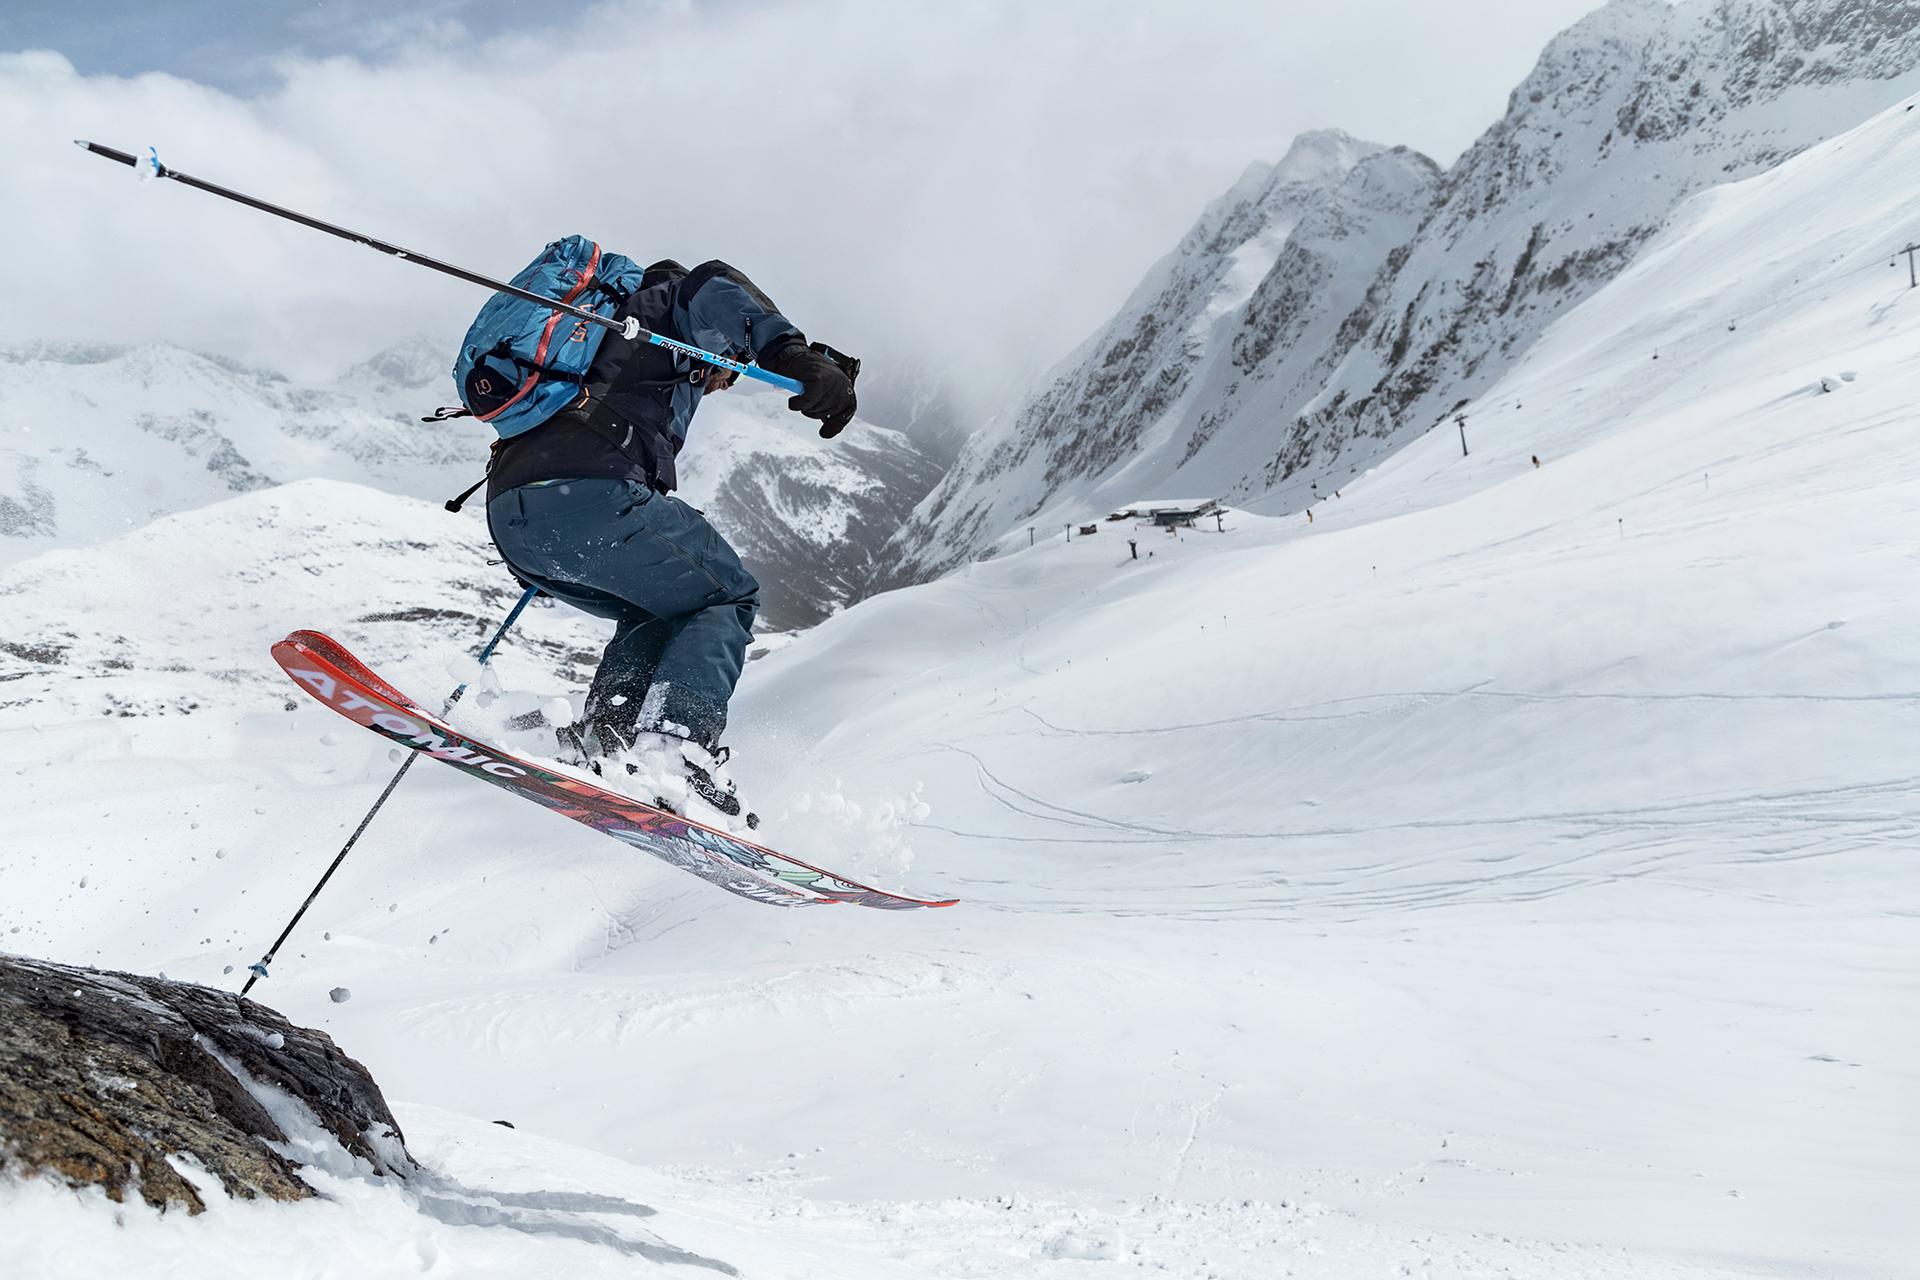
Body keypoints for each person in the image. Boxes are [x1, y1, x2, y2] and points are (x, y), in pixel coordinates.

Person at [482, 259, 855, 821]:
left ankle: (610, 735)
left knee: (657, 610)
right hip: (593, 501)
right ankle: (677, 749)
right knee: (727, 596)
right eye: (729, 370)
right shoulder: (669, 310)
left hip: (514, 519)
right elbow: (713, 281)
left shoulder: (597, 342)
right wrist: (788, 353)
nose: (725, 382)